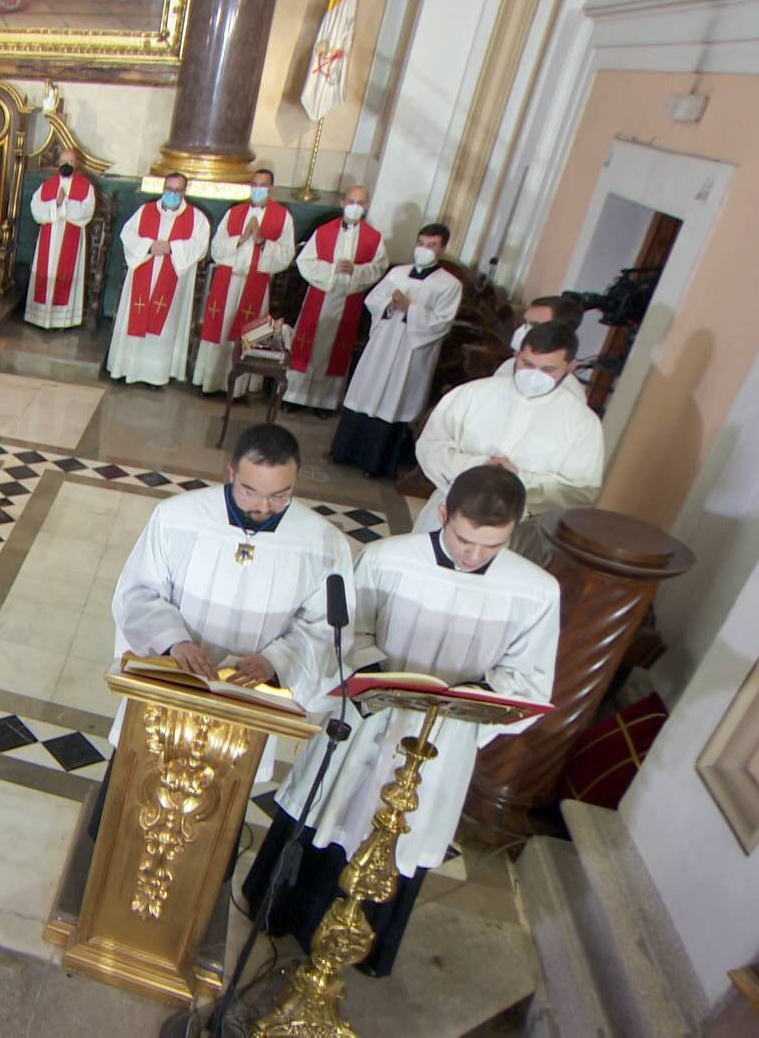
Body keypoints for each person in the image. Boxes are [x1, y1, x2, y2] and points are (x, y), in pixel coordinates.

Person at [245, 465, 557, 977]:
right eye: (463, 539)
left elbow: (530, 677)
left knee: (405, 832)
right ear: (443, 513)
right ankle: (283, 915)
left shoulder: (537, 591)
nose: (472, 556)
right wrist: (376, 673)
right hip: (372, 719)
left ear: (513, 532)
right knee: (334, 806)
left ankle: (362, 949)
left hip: (445, 736)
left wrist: (479, 695)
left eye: (492, 546)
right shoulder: (388, 559)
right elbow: (347, 635)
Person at [92, 424, 354, 839]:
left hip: (248, 698)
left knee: (212, 824)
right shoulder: (177, 517)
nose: (263, 506)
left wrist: (276, 660)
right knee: (129, 806)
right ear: (231, 473)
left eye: (280, 495)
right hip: (173, 682)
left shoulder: (323, 543)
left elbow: (324, 628)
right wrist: (174, 641)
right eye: (250, 491)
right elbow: (138, 592)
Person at [414, 321, 604, 562]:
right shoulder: (472, 394)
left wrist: (518, 479)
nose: (534, 375)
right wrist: (478, 467)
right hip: (449, 513)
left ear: (571, 368)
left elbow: (582, 489)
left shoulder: (582, 423)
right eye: (527, 364)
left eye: (548, 369)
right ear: (516, 356)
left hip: (518, 531)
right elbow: (430, 445)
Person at [330, 223, 463, 478]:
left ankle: (376, 463)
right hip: (383, 342)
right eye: (421, 243)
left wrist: (410, 309)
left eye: (432, 245)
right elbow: (373, 300)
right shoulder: (397, 273)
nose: (424, 249)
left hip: (411, 350)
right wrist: (389, 304)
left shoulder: (449, 284)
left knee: (395, 398)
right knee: (367, 390)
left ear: (443, 248)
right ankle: (345, 452)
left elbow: (442, 322)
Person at [285, 186, 389, 413]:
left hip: (349, 300)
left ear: (366, 206)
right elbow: (305, 261)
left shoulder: (374, 238)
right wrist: (332, 270)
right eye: (351, 201)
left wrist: (356, 271)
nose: (354, 207)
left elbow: (379, 267)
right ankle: (293, 396)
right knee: (306, 344)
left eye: (360, 203)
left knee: (337, 350)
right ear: (342, 202)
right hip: (320, 295)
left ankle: (324, 402)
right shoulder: (323, 231)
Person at [195, 169, 295, 395]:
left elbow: (286, 256)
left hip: (256, 282)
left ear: (271, 189)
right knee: (220, 331)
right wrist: (240, 240)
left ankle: (237, 390)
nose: (258, 190)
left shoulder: (283, 217)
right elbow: (216, 248)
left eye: (263, 186)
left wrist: (262, 241)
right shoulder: (234, 212)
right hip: (228, 280)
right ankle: (209, 382)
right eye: (254, 185)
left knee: (247, 333)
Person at [106, 172, 210, 387]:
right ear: (163, 188)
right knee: (135, 318)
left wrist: (172, 248)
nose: (172, 194)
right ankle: (125, 369)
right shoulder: (145, 211)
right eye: (169, 189)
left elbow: (200, 246)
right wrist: (149, 247)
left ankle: (156, 375)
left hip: (174, 281)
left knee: (166, 325)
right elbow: (127, 235)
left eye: (177, 190)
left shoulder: (197, 218)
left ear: (185, 191)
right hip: (143, 273)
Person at [22, 150, 98, 330]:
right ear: (58, 163)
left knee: (66, 276)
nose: (67, 164)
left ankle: (63, 320)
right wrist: (56, 203)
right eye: (64, 161)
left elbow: (87, 211)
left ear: (76, 164)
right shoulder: (47, 185)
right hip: (49, 236)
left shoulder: (86, 187)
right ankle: (39, 317)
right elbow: (36, 209)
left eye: (71, 161)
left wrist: (65, 204)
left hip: (71, 236)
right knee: (45, 273)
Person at [492, 295, 587, 400]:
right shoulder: (509, 365)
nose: (524, 330)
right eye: (525, 323)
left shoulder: (571, 394)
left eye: (535, 325)